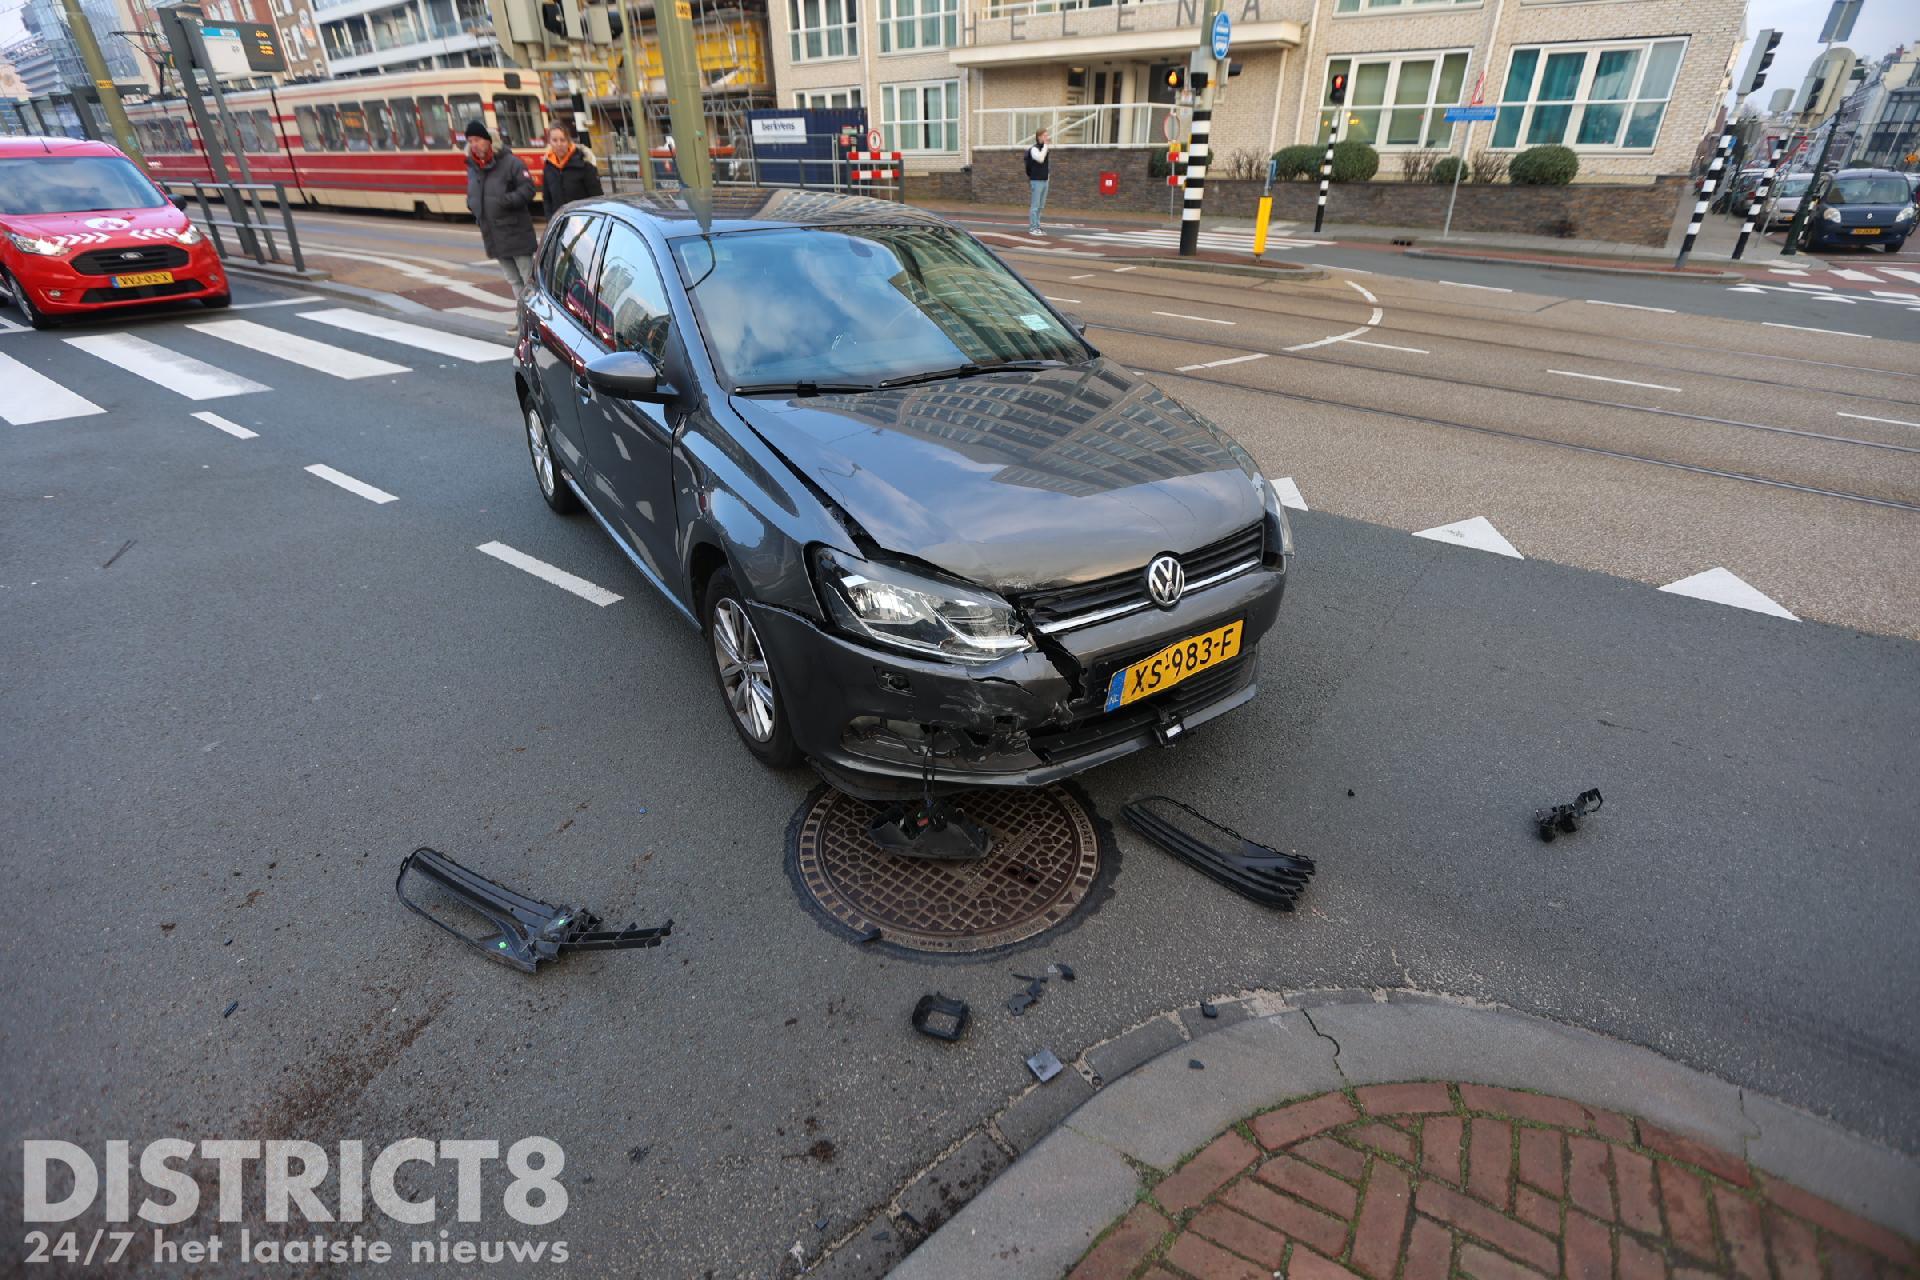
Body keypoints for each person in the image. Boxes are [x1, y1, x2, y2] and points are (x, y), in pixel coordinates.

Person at [463, 119, 537, 327]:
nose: (474, 145)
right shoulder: (474, 167)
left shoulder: (511, 163)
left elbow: (528, 190)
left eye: (477, 139)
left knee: (527, 278)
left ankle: (535, 319)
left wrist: (506, 201)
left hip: (515, 230)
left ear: (488, 140)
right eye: (470, 141)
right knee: (513, 280)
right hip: (493, 232)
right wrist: (472, 204)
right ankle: (524, 318)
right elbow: (475, 193)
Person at [541, 123, 604, 210]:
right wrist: (551, 219)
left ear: (569, 141)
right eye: (554, 140)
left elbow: (597, 199)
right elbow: (547, 199)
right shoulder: (548, 167)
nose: (559, 144)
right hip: (561, 220)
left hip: (583, 219)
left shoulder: (584, 165)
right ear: (549, 142)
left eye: (562, 140)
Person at [1025, 128, 1051, 236]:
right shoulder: (1034, 149)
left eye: (1047, 135)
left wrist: (1048, 176)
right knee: (1035, 206)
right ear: (1039, 137)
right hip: (1036, 181)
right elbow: (1040, 159)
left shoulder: (1044, 148)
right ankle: (1033, 228)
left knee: (1041, 206)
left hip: (1045, 180)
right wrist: (1045, 146)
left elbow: (1045, 163)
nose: (1047, 137)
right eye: (1045, 135)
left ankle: (1037, 226)